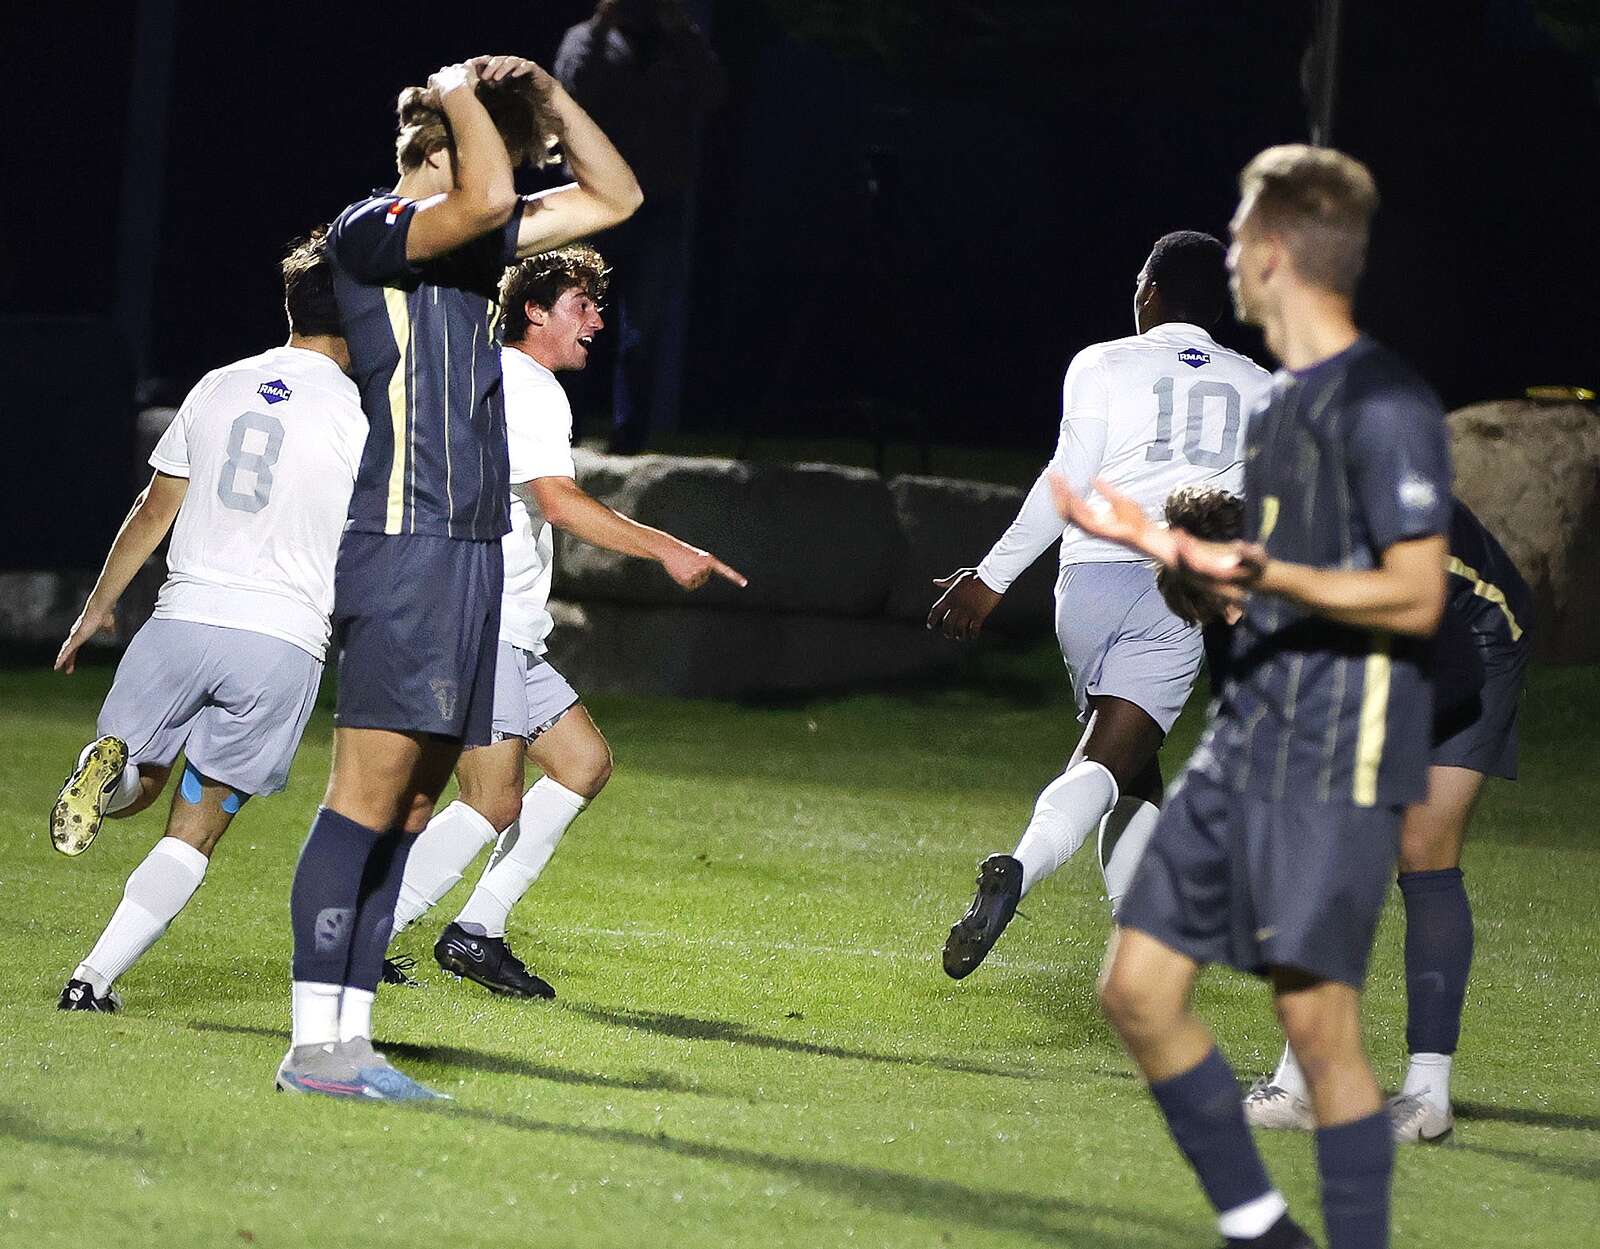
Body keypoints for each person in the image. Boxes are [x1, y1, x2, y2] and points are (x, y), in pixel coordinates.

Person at [1052, 143, 1454, 1249]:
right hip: (1253, 732)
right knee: (1136, 989)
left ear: (1274, 254)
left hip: (1335, 743)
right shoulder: (1272, 407)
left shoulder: (1377, 405)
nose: (1225, 250)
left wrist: (1253, 573)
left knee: (1319, 1036)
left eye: (1237, 230)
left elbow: (1414, 594)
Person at [275, 54, 641, 1101]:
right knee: (364, 798)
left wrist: (554, 100)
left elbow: (616, 196)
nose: (517, 176)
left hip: (472, 552)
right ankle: (316, 1047)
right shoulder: (370, 226)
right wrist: (463, 91)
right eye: (497, 150)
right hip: (407, 538)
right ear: (431, 149)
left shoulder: (478, 250)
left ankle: (350, 1043)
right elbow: (484, 191)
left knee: (415, 805)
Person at [385, 245, 744, 996]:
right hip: (478, 622)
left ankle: (477, 929)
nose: (598, 321)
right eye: (581, 305)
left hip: (493, 619)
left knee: (583, 763)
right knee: (491, 801)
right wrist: (666, 547)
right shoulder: (529, 383)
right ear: (534, 312)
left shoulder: (495, 377)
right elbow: (558, 501)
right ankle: (360, 937)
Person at [930, 231, 1272, 979]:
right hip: (1174, 591)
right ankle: (1018, 866)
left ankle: (1136, 947)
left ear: (1149, 289)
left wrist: (991, 579)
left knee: (1130, 762)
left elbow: (1066, 479)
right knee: (1108, 760)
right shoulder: (1258, 385)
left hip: (1083, 585)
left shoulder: (1102, 361)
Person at [51, 232, 367, 1012]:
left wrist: (97, 606)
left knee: (137, 780)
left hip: (179, 621)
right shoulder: (364, 416)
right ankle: (91, 977)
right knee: (194, 826)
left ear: (289, 305)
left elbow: (154, 507)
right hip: (278, 643)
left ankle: (111, 767)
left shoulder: (219, 384)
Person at [1238, 499, 1531, 1143]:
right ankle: (1302, 1079)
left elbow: (1446, 672)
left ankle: (1429, 1096)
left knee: (1422, 847)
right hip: (1379, 629)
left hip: (1473, 631)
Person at [555, 0, 726, 452]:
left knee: (643, 326)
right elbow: (570, 92)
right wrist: (600, 25)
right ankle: (560, 428)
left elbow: (712, 93)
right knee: (573, 314)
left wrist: (681, 32)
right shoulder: (587, 38)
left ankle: (628, 435)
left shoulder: (677, 45)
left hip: (658, 201)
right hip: (594, 200)